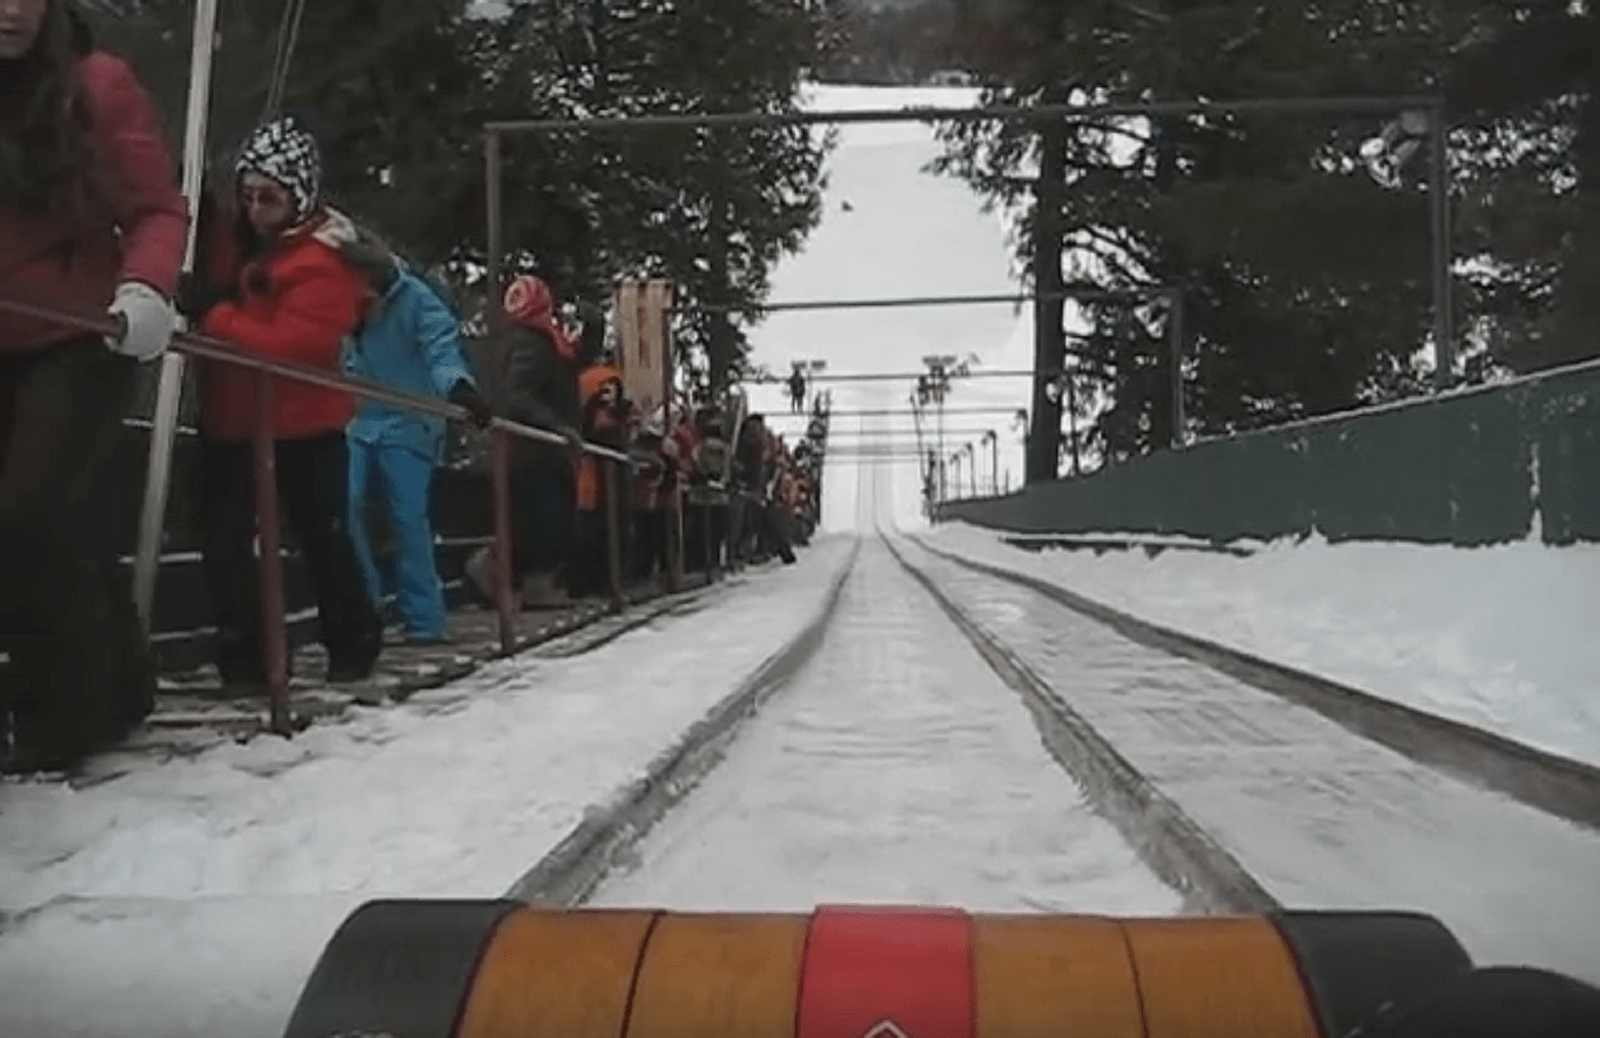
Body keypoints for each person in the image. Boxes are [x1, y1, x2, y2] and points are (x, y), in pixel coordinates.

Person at [0, 0, 187, 773]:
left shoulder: (97, 85)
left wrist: (145, 287)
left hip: (83, 336)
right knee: (60, 524)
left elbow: (156, 210)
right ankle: (123, 684)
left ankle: (58, 723)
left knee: (29, 513)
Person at [178, 113, 382, 688]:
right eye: (248, 196)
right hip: (232, 421)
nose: (255, 208)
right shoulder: (247, 246)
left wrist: (216, 316)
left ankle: (353, 638)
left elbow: (292, 345)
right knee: (223, 539)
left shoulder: (323, 262)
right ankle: (244, 653)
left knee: (323, 533)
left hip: (302, 426)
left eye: (268, 197)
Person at [341, 234, 491, 645]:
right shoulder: (343, 301)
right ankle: (363, 610)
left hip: (411, 419)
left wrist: (459, 388)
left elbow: (442, 348)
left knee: (407, 516)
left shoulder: (417, 300)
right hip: (358, 418)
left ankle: (424, 619)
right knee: (343, 503)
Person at [464, 275, 591, 609]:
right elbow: (517, 393)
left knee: (545, 520)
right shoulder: (531, 344)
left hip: (534, 447)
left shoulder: (539, 341)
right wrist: (556, 426)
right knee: (544, 521)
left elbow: (571, 365)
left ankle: (522, 578)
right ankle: (511, 574)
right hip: (533, 448)